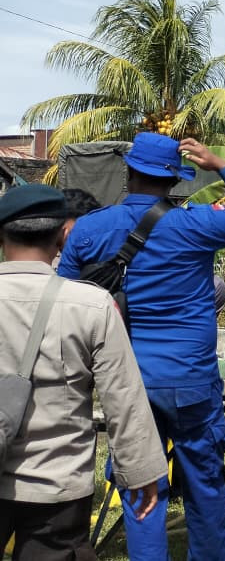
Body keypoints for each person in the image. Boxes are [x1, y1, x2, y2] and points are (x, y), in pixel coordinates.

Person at [57, 133, 225, 561]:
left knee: (142, 489)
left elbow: (66, 302)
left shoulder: (88, 228)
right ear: (174, 179)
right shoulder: (194, 223)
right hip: (191, 382)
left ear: (129, 172)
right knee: (205, 486)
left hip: (126, 383)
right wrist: (219, 163)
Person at [0, 184, 167, 560]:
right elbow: (123, 399)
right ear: (63, 235)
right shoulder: (91, 304)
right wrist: (141, 473)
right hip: (57, 484)